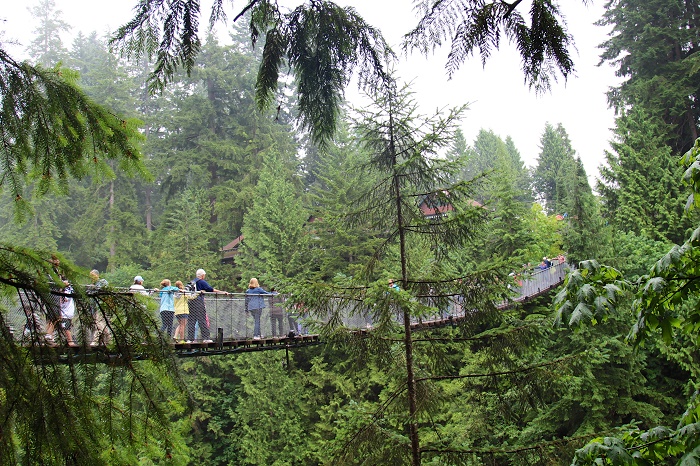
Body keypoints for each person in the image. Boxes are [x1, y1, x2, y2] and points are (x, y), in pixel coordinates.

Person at [187, 269, 226, 342]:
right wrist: (222, 292)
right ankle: (206, 338)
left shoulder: (193, 282)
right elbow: (210, 289)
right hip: (198, 302)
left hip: (191, 302)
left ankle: (190, 339)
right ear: (202, 275)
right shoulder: (201, 282)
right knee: (202, 320)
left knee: (191, 321)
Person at [88, 269, 110, 346]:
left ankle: (95, 340)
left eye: (93, 275)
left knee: (98, 323)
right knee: (101, 323)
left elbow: (105, 289)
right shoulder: (91, 285)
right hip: (94, 308)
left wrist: (95, 287)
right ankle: (108, 339)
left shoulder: (102, 281)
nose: (91, 277)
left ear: (97, 275)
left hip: (101, 305)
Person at [59, 279, 77, 346]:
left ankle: (70, 341)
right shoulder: (63, 289)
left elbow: (65, 299)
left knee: (66, 326)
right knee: (66, 326)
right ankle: (69, 340)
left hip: (67, 311)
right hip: (64, 311)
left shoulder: (68, 290)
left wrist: (61, 292)